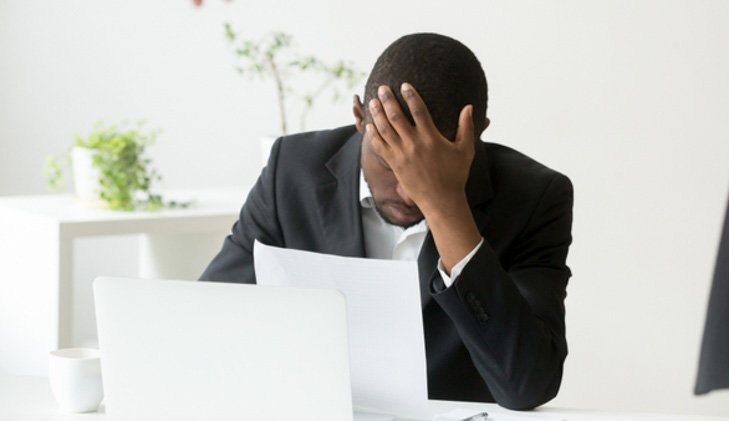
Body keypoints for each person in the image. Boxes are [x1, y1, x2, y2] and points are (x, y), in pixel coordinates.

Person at [200, 33, 573, 410]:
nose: (410, 194)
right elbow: (207, 319)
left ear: (474, 136)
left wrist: (446, 207)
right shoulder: (291, 173)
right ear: (360, 118)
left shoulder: (534, 199)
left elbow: (527, 385)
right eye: (389, 161)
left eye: (430, 169)